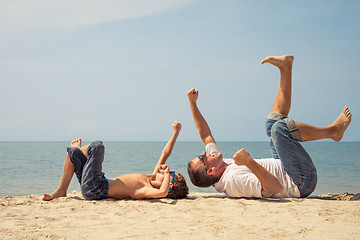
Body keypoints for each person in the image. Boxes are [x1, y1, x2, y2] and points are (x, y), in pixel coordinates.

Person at [187, 55, 352, 198]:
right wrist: (249, 162)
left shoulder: (217, 164)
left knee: (272, 124)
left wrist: (193, 104)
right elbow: (273, 188)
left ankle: (286, 69)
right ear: (210, 171)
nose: (204, 153)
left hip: (285, 166)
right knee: (279, 129)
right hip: (300, 182)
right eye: (202, 158)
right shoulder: (233, 181)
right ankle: (334, 132)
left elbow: (205, 134)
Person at [43, 121, 188, 201]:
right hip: (96, 183)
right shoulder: (149, 178)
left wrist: (167, 173)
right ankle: (61, 191)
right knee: (72, 153)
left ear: (169, 183)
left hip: (96, 189)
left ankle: (80, 149)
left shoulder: (146, 189)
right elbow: (165, 154)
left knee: (98, 146)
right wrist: (176, 132)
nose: (164, 170)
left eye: (170, 174)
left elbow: (163, 193)